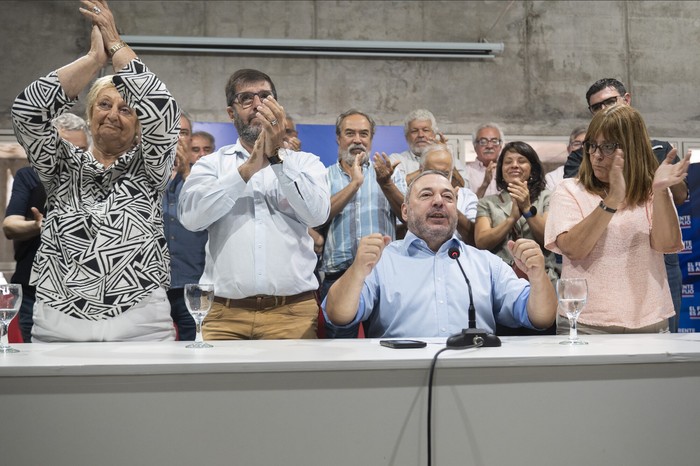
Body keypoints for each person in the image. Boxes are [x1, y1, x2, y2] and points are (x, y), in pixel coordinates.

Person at [10, 0, 180, 342]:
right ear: (90, 113)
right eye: (104, 104)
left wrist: (114, 42)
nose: (114, 114)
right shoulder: (60, 162)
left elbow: (162, 110)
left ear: (138, 126)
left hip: (140, 315)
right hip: (58, 313)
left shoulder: (150, 166)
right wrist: (92, 61)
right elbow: (27, 112)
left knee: (148, 396)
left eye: (127, 109)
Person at [178, 68, 329, 340]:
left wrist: (278, 162)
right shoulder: (211, 165)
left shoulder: (305, 163)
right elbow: (191, 218)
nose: (258, 105)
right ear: (230, 112)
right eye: (246, 98)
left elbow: (317, 215)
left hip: (291, 314)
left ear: (278, 107)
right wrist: (246, 171)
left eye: (265, 96)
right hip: (223, 315)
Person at [323, 170, 557, 338]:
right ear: (405, 211)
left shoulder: (484, 262)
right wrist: (356, 270)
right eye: (426, 195)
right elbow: (338, 316)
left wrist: (537, 276)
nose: (438, 202)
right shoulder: (382, 261)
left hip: (476, 377)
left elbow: (541, 318)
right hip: (400, 378)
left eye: (448, 197)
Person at [545, 105, 690, 334]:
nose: (597, 155)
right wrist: (611, 200)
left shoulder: (652, 191)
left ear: (633, 148)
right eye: (592, 145)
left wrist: (661, 191)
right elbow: (573, 249)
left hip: (649, 320)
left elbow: (668, 245)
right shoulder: (569, 190)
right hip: (586, 324)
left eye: (608, 146)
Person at [318, 109, 407, 338]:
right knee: (339, 353)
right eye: (350, 133)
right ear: (338, 138)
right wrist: (355, 183)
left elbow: (407, 216)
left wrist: (386, 184)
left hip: (382, 273)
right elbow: (319, 215)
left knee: (387, 346)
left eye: (364, 134)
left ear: (371, 139)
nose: (357, 140)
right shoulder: (323, 176)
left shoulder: (388, 173)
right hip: (337, 275)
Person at [2, 113, 90, 342]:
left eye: (80, 150)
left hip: (84, 288)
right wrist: (41, 225)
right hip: (35, 286)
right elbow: (10, 226)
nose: (73, 157)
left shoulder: (98, 179)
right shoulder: (29, 177)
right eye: (66, 149)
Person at [475, 141, 559, 335]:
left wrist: (527, 209)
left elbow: (549, 238)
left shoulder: (548, 197)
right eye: (508, 161)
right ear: (501, 170)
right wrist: (512, 218)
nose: (514, 165)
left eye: (521, 160)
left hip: (544, 281)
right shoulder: (488, 203)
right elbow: (481, 241)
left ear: (533, 169)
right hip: (501, 286)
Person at [164, 112, 207, 340]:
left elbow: (207, 209)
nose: (178, 138)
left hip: (195, 283)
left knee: (196, 346)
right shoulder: (145, 176)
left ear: (191, 139)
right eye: (172, 131)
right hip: (154, 287)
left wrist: (186, 174)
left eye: (183, 133)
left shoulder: (204, 177)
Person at [410, 144, 477, 245]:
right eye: (433, 172)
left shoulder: (467, 197)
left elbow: (474, 239)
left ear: (452, 172)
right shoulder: (411, 195)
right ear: (421, 170)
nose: (439, 178)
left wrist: (453, 208)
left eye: (445, 174)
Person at [465, 122, 505, 198]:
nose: (489, 146)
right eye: (483, 142)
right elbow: (465, 207)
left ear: (500, 146)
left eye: (494, 141)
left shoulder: (507, 170)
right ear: (475, 146)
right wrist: (485, 184)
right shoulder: (466, 172)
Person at [546, 126, 586, 191]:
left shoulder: (599, 173)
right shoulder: (552, 177)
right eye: (576, 144)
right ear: (568, 149)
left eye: (586, 144)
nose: (582, 148)